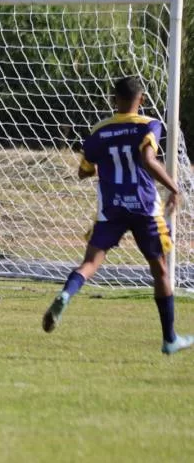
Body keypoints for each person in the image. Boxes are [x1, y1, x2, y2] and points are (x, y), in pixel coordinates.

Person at [42, 76, 193, 355]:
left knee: (89, 263)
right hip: (144, 207)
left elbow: (84, 171)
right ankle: (169, 338)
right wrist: (175, 187)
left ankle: (66, 294)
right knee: (159, 269)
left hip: (111, 207)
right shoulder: (149, 125)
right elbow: (148, 160)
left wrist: (104, 168)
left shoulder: (99, 131)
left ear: (115, 100)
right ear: (142, 99)